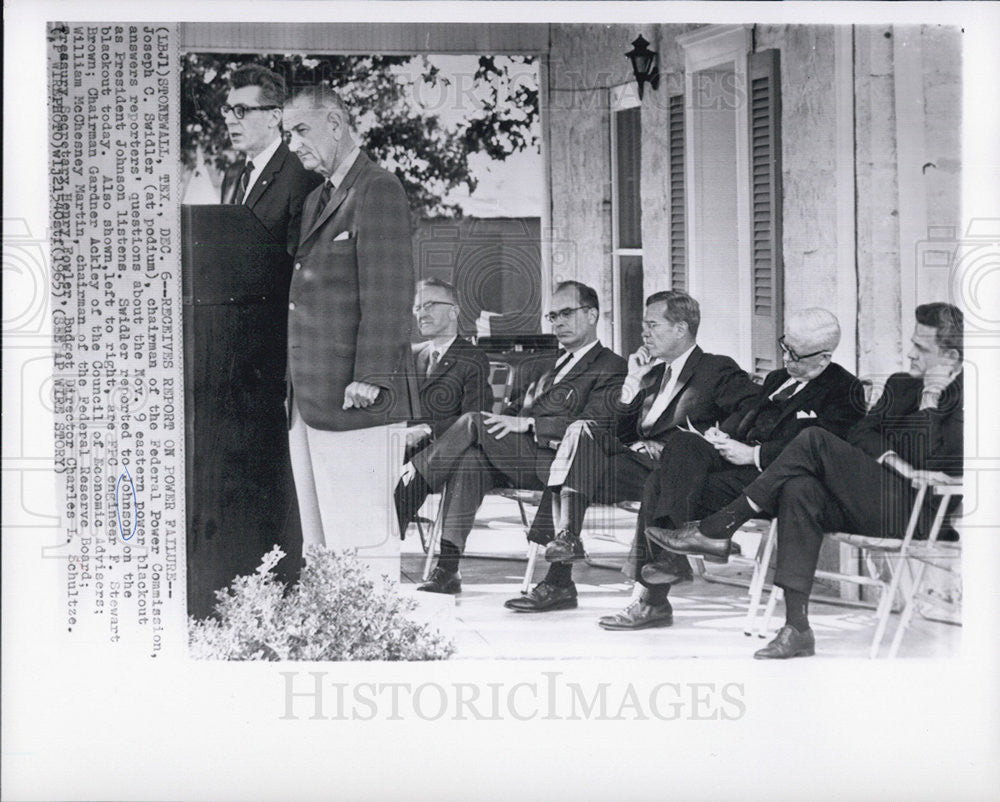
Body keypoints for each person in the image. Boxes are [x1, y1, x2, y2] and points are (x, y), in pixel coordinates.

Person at [651, 303, 964, 658]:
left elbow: (950, 458)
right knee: (800, 489)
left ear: (951, 356)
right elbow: (862, 434)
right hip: (876, 493)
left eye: (920, 349)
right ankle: (797, 626)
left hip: (922, 511)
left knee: (814, 438)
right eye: (911, 343)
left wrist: (933, 406)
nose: (909, 353)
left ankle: (720, 526)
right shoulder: (902, 384)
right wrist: (898, 463)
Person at [602, 308, 864, 630]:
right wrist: (722, 437)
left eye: (794, 354)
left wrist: (755, 454)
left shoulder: (843, 390)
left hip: (773, 481)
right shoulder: (776, 379)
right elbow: (747, 421)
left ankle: (652, 600)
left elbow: (822, 452)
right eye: (784, 347)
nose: (786, 359)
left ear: (823, 358)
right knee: (683, 445)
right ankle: (669, 561)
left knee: (659, 481)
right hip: (736, 466)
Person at [505, 290, 761, 613]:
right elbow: (622, 431)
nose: (644, 334)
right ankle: (566, 542)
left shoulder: (715, 369)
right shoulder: (651, 375)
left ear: (681, 329)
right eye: (644, 326)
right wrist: (633, 384)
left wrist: (717, 437)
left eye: (652, 325)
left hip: (675, 473)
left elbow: (753, 406)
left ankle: (559, 582)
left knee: (570, 467)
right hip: (635, 463)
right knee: (580, 436)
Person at [394, 281, 628, 594]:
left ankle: (407, 493)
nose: (557, 322)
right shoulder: (546, 364)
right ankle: (447, 569)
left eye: (566, 313)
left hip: (561, 464)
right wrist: (517, 419)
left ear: (592, 315)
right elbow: (515, 409)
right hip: (520, 456)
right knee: (471, 461)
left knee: (473, 422)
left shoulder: (612, 366)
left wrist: (530, 424)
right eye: (552, 316)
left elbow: (597, 424)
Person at [283, 84, 414, 563]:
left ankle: (373, 635)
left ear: (335, 124)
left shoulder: (377, 188)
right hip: (308, 398)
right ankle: (336, 637)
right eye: (287, 134)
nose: (293, 144)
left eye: (301, 130)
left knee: (361, 538)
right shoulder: (320, 198)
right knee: (319, 543)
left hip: (355, 398)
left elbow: (389, 293)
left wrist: (370, 377)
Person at [396, 278, 492, 533]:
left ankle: (392, 527)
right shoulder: (413, 354)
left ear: (454, 311)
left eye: (429, 305)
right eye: (417, 308)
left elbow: (475, 415)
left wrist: (426, 429)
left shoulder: (473, 357)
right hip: (402, 444)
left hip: (446, 448)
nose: (422, 313)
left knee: (407, 482)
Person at [220, 64, 322, 251]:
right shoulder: (233, 174)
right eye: (227, 109)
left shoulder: (301, 174)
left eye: (241, 110)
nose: (229, 120)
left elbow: (302, 264)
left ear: (274, 118)